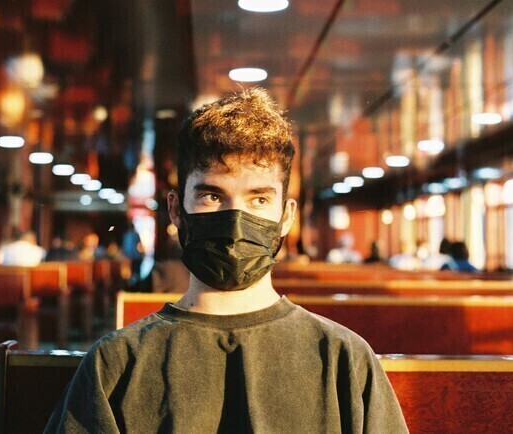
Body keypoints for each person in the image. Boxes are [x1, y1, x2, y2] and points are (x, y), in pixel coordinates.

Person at [45, 88, 407, 432]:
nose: (235, 221)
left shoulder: (345, 360)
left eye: (259, 199)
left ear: (286, 217)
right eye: (212, 197)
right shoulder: (116, 363)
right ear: (176, 209)